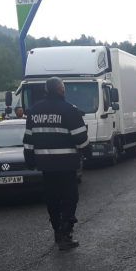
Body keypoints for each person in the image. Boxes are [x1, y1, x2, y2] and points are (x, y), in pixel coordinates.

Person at [23, 77, 89, 251]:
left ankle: (57, 232)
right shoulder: (69, 110)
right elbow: (81, 139)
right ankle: (65, 233)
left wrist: (30, 160)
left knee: (52, 199)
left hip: (45, 165)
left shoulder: (34, 111)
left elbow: (28, 140)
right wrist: (86, 153)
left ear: (46, 90)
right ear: (61, 90)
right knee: (69, 198)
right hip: (66, 164)